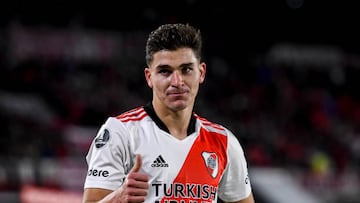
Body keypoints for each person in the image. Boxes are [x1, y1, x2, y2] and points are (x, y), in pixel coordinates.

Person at [82, 23, 255, 203]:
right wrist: (118, 198)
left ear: (201, 72)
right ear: (149, 77)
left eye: (186, 69)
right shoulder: (121, 133)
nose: (177, 81)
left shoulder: (224, 142)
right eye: (165, 71)